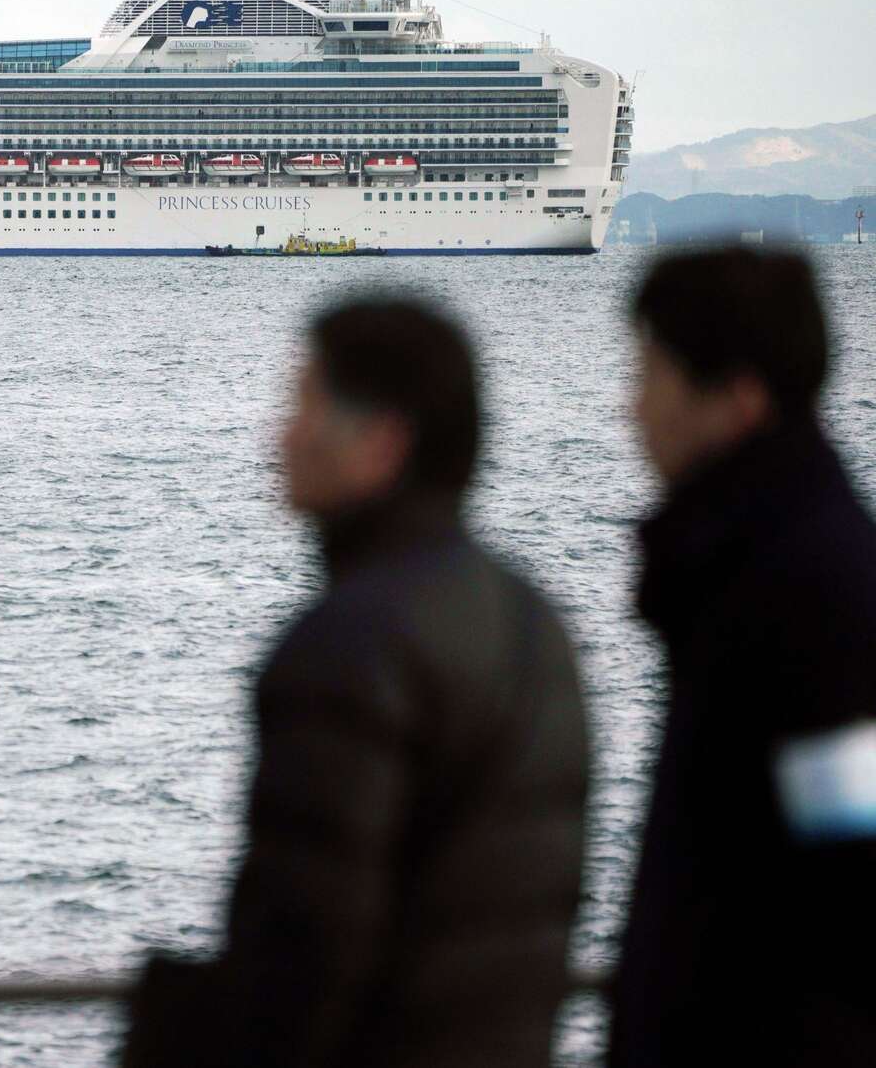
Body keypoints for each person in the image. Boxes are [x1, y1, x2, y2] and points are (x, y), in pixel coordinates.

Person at [123, 299, 589, 1068]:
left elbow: (305, 942)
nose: (281, 435)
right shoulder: (537, 620)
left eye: (305, 403)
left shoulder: (349, 646)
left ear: (382, 441)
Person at [610, 248, 876, 1065]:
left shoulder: (811, 596)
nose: (632, 410)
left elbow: (853, 876)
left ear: (737, 398)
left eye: (653, 375)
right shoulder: (748, 564)